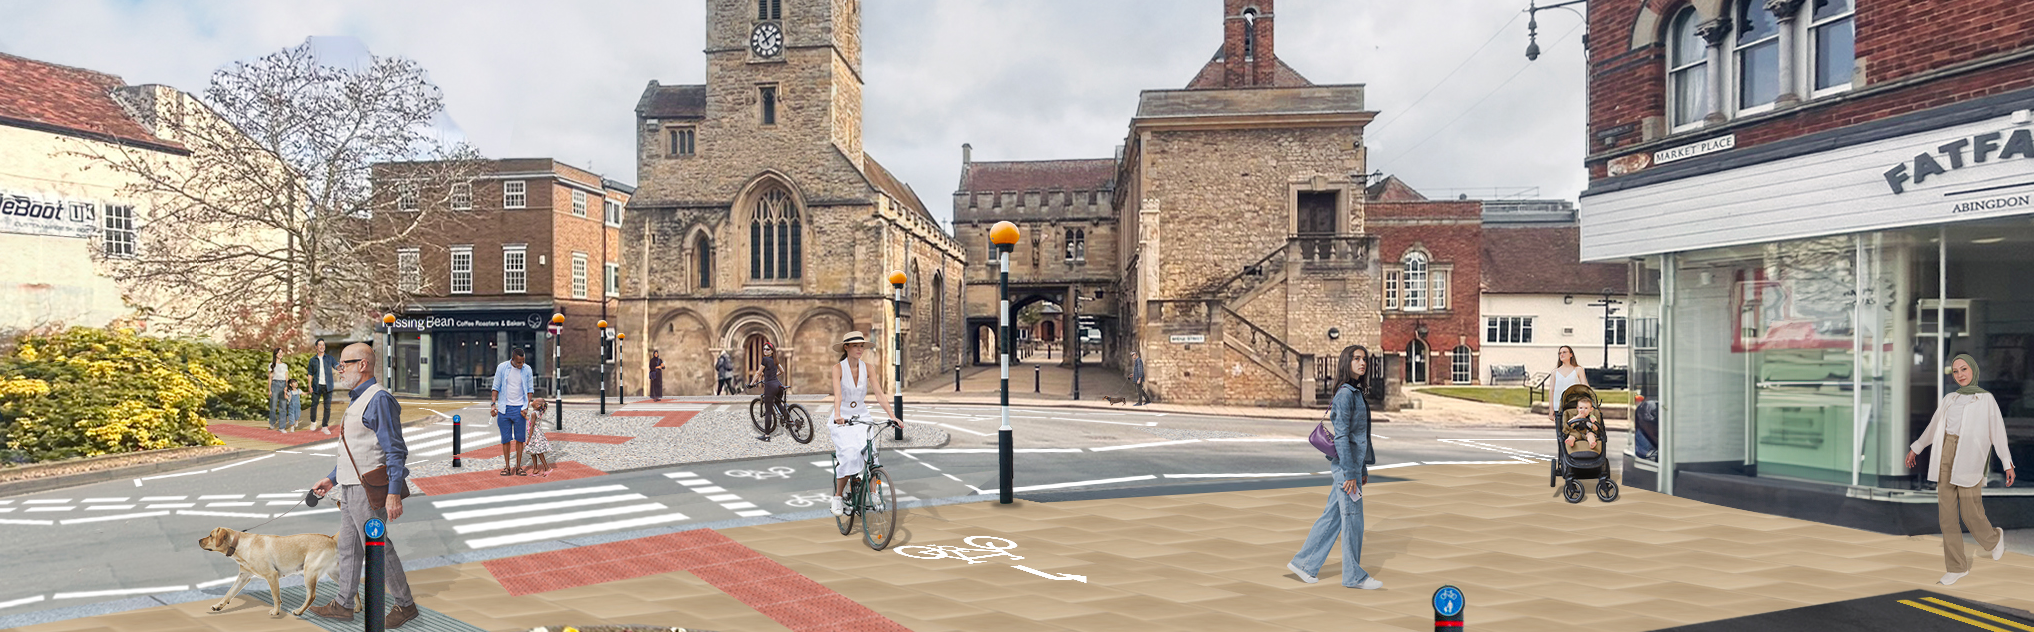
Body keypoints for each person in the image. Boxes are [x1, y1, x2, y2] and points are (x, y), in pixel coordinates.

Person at [306, 343, 419, 627]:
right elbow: (356, 449)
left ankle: (405, 605)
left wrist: (394, 493)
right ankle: (344, 604)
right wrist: (332, 479)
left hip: (367, 490)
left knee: (377, 547)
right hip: (350, 487)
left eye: (344, 364)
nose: (340, 369)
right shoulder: (359, 399)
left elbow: (395, 451)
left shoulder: (379, 399)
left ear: (363, 365)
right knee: (348, 547)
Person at [1907, 353, 2018, 586]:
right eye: (1955, 371)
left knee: (1970, 513)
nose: (1960, 375)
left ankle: (1993, 538)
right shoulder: (1950, 399)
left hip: (1970, 457)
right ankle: (1957, 567)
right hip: (1945, 453)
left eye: (1964, 369)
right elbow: (1933, 427)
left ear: (1973, 370)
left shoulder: (1986, 399)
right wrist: (1916, 448)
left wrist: (2007, 463)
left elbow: (1998, 433)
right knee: (1947, 516)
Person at [1287, 344, 1382, 590]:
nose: (1362, 363)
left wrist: (1362, 469)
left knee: (1333, 517)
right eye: (1356, 359)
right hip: (1345, 469)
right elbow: (1341, 437)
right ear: (1346, 363)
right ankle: (1354, 577)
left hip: (1350, 467)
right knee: (1353, 522)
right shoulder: (1346, 394)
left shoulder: (1355, 392)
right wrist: (1351, 473)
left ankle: (1304, 564)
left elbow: (1358, 438)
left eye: (1364, 359)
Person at [827, 331, 901, 517]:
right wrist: (838, 414)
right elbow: (838, 395)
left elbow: (879, 394)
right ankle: (837, 496)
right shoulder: (838, 368)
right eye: (855, 346)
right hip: (843, 417)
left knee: (872, 455)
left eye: (861, 346)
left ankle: (874, 493)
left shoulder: (868, 368)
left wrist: (893, 416)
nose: (860, 349)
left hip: (862, 416)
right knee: (849, 455)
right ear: (846, 347)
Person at [492, 348, 536, 476]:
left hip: (519, 409)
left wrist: (526, 407)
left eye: (523, 362)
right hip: (504, 408)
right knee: (505, 439)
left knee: (520, 439)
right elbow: (495, 387)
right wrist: (493, 404)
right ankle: (507, 467)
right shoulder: (502, 368)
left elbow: (530, 390)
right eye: (518, 362)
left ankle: (518, 467)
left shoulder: (527, 370)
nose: (521, 364)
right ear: (513, 359)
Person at [749, 344, 784, 441]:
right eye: (764, 349)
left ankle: (767, 436)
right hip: (778, 385)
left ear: (772, 351)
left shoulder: (765, 359)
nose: (765, 351)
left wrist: (751, 384)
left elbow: (758, 373)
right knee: (778, 403)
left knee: (768, 411)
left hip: (770, 387)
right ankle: (789, 421)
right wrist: (774, 375)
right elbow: (782, 371)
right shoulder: (775, 360)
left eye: (768, 349)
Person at [1550, 346, 1588, 423]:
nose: (1562, 355)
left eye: (1564, 352)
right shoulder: (1555, 372)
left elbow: (1585, 387)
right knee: (1560, 430)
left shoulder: (1578, 369)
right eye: (1560, 353)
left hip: (1574, 407)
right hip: (1558, 408)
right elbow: (1551, 391)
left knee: (1574, 429)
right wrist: (1551, 409)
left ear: (1571, 354)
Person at [308, 343, 338, 434]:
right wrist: (309, 386)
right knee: (314, 405)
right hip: (316, 386)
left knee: (327, 407)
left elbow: (336, 365)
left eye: (323, 345)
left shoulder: (330, 358)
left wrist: (340, 366)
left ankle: (325, 427)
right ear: (316, 347)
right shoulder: (312, 360)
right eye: (320, 345)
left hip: (328, 386)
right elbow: (310, 374)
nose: (322, 347)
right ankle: (313, 422)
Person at [525, 397, 552, 477]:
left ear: (537, 405)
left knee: (538, 452)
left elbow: (532, 425)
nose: (533, 400)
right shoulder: (537, 413)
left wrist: (529, 438)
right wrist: (524, 416)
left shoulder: (534, 413)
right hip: (536, 433)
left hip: (534, 434)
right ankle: (535, 469)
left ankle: (547, 467)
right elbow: (531, 421)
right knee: (532, 451)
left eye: (535, 400)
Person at [267, 348, 290, 432]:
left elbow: (286, 377)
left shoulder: (285, 365)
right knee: (273, 406)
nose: (281, 354)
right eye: (279, 352)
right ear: (275, 354)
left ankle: (282, 427)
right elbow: (270, 378)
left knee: (283, 407)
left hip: (283, 385)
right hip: (275, 385)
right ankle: (272, 423)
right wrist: (269, 390)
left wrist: (287, 388)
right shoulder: (271, 365)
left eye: (282, 352)